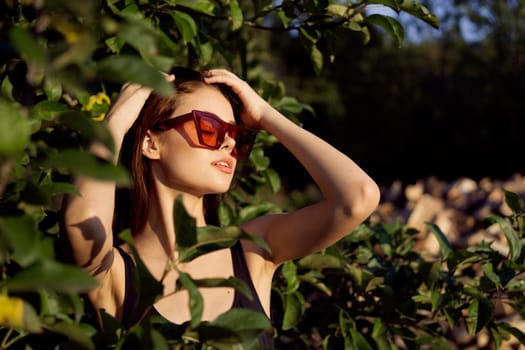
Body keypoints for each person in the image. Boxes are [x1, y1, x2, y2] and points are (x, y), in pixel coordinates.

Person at [61, 67, 380, 348]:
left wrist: (266, 116)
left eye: (236, 136)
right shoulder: (115, 275)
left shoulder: (252, 250)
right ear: (151, 143)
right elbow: (82, 222)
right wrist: (116, 121)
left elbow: (358, 198)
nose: (228, 144)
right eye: (210, 129)